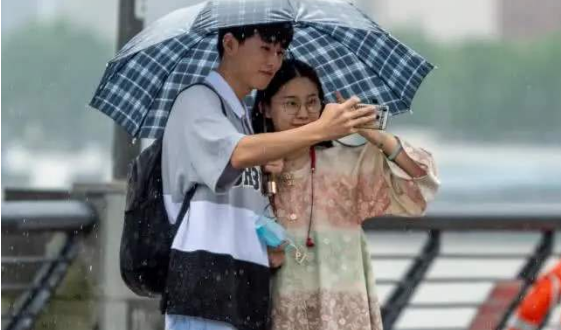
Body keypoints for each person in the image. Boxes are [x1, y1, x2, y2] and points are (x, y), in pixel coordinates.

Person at [161, 23, 377, 330]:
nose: (273, 62)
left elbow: (241, 202)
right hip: (205, 289)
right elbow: (235, 154)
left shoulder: (242, 121)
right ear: (230, 44)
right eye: (265, 49)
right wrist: (320, 130)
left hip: (245, 290)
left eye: (279, 52)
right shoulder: (198, 102)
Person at [251, 58, 440, 330]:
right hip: (277, 311)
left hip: (342, 314)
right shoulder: (249, 166)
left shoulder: (346, 165)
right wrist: (266, 181)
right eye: (291, 103)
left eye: (312, 102)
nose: (303, 113)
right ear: (265, 108)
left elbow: (420, 182)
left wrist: (375, 135)